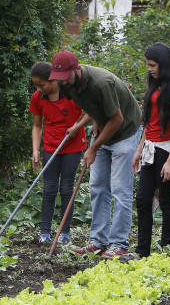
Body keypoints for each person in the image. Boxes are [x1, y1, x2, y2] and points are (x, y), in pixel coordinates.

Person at [49, 50, 143, 259]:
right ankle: (99, 242)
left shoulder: (101, 82)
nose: (62, 82)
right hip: (105, 130)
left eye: (65, 76)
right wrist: (95, 121)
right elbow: (90, 105)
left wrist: (92, 148)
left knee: (120, 189)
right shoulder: (68, 84)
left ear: (77, 69)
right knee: (97, 186)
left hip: (125, 130)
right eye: (59, 78)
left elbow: (117, 119)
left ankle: (118, 244)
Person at [131, 43, 170, 258]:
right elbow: (148, 123)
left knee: (166, 201)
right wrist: (139, 150)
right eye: (148, 65)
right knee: (143, 199)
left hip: (167, 149)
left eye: (153, 65)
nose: (149, 69)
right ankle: (142, 251)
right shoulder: (155, 86)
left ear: (164, 65)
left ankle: (167, 251)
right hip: (150, 148)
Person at [29, 62, 87, 246]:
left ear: (53, 80)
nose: (38, 89)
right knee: (49, 188)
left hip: (73, 145)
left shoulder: (71, 92)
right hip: (51, 146)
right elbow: (37, 125)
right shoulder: (38, 97)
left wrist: (77, 127)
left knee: (67, 188)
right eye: (36, 86)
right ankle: (45, 233)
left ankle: (64, 233)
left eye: (41, 85)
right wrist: (36, 150)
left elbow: (90, 112)